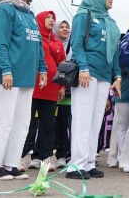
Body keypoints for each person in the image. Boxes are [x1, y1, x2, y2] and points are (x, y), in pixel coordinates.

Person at [0, 0, 46, 181]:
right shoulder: (4, 10)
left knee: (22, 123)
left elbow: (38, 45)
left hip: (26, 77)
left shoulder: (29, 14)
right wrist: (5, 69)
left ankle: (11, 164)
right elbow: (1, 42)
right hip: (8, 76)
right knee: (4, 120)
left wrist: (42, 69)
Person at [68, 0, 122, 180]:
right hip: (87, 73)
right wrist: (83, 67)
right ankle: (75, 165)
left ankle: (89, 163)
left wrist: (117, 77)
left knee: (95, 120)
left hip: (104, 76)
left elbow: (114, 52)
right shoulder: (84, 15)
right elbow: (76, 43)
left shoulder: (111, 23)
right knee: (82, 119)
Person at [23, 11, 65, 170]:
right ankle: (22, 156)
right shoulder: (34, 38)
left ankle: (45, 158)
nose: (51, 20)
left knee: (48, 125)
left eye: (53, 18)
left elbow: (62, 66)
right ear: (40, 20)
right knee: (28, 123)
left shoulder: (58, 42)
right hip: (34, 86)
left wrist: (62, 86)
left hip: (52, 88)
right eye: (47, 17)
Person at [109, 24, 129, 170]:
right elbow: (116, 69)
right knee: (123, 125)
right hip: (123, 91)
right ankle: (120, 157)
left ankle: (127, 156)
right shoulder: (123, 48)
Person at [53, 20, 71, 167]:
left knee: (63, 122)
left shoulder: (74, 46)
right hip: (51, 87)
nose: (65, 29)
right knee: (47, 123)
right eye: (61, 27)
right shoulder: (51, 44)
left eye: (67, 27)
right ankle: (39, 155)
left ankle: (62, 155)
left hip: (67, 89)